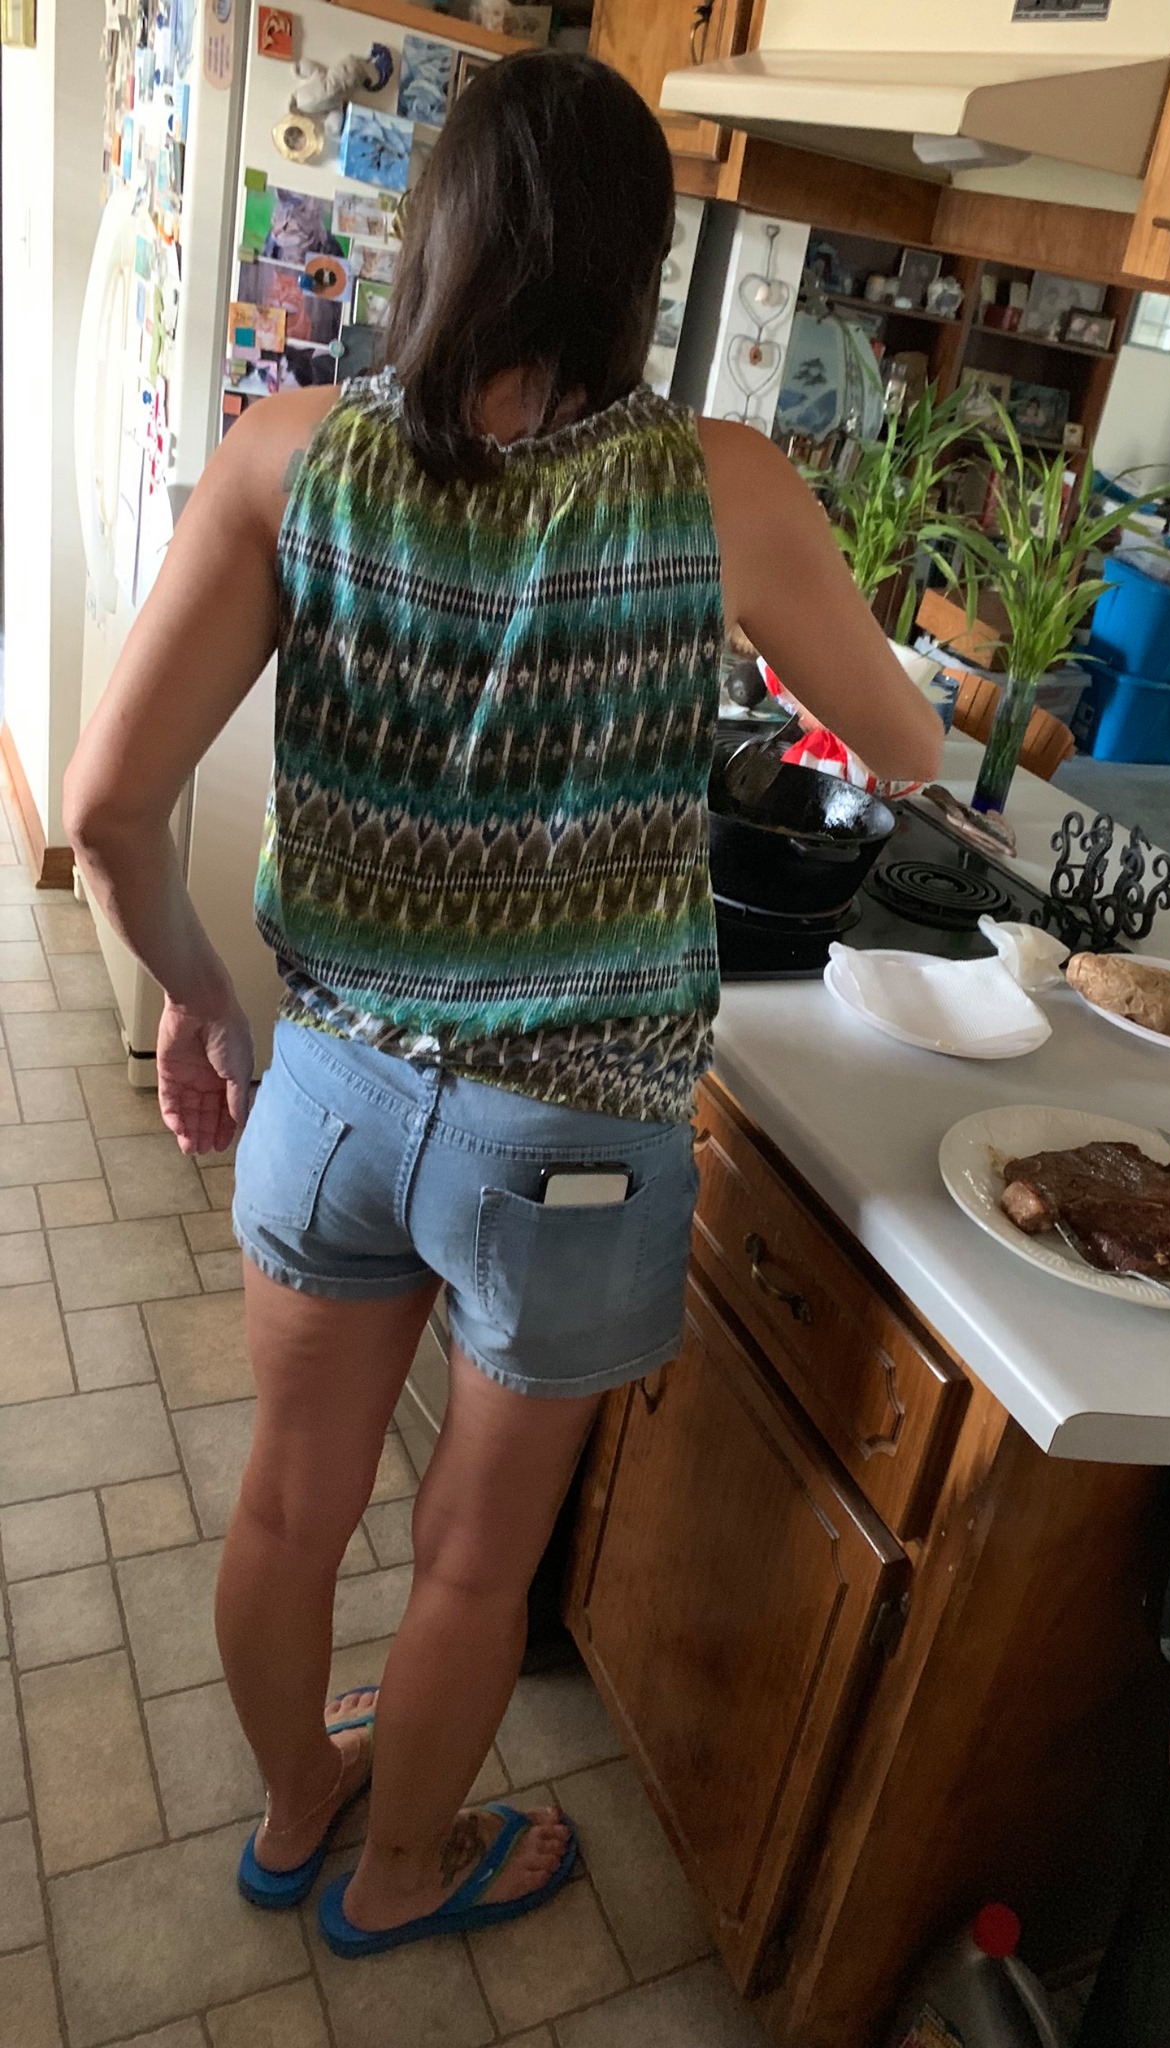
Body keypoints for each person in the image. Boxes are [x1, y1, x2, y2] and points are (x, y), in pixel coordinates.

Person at [65, 51, 942, 1957]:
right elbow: (906, 741)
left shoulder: (289, 456)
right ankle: (402, 1875)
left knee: (286, 1508)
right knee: (473, 1556)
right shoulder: (723, 483)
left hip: (335, 1087)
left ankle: (301, 1809)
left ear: (434, 229)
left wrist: (201, 1005)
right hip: (578, 1136)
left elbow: (104, 808)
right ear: (639, 262)